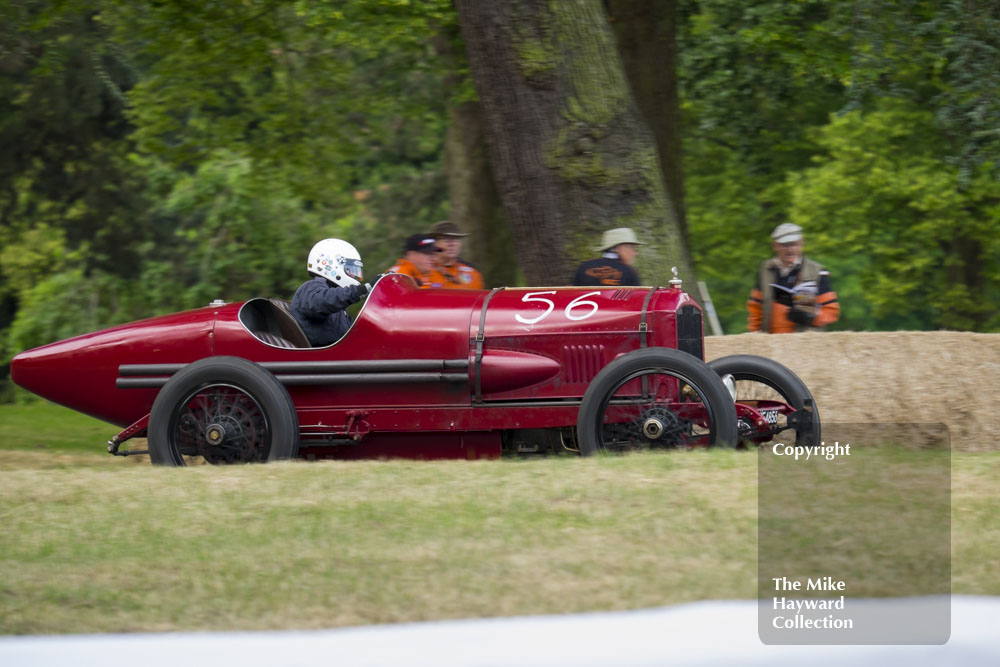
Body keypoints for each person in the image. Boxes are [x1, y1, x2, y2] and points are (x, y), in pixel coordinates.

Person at [747, 223, 840, 333]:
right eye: (785, 245)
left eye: (794, 244)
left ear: (802, 243)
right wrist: (753, 335)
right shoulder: (765, 270)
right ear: (774, 245)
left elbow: (831, 312)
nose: (790, 249)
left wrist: (811, 317)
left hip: (804, 345)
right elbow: (755, 309)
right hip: (771, 344)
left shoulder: (817, 271)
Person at [291, 238, 370, 347]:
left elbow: (354, 331)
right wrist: (362, 290)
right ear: (332, 265)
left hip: (336, 357)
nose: (353, 275)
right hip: (322, 360)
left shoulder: (337, 304)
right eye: (350, 270)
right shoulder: (311, 287)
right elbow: (321, 302)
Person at [572, 227, 644, 286]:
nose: (635, 253)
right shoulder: (629, 272)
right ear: (619, 248)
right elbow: (639, 300)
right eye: (632, 248)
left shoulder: (584, 266)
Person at [428, 220, 485, 289]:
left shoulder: (472, 273)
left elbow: (480, 299)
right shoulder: (421, 270)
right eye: (446, 240)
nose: (452, 244)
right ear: (434, 244)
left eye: (456, 239)